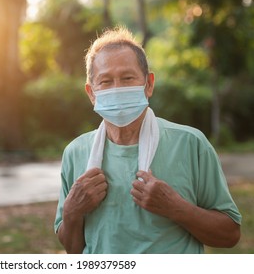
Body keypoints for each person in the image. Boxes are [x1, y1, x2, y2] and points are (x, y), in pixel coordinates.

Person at [54, 26, 241, 254]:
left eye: (127, 78)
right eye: (105, 81)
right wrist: (72, 212)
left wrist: (176, 207)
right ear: (91, 93)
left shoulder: (190, 144)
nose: (117, 89)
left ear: (149, 84)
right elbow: (74, 250)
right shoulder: (75, 153)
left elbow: (230, 234)